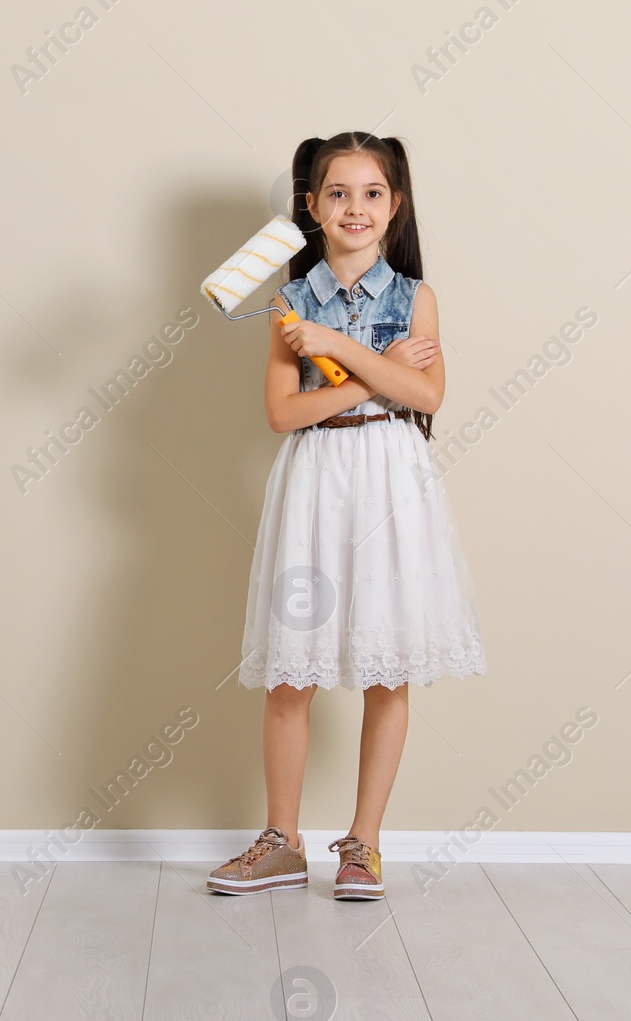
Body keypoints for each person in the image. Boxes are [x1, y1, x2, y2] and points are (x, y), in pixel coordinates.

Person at [206, 132, 487, 901]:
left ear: (394, 206)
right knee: (291, 672)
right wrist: (377, 376)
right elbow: (281, 411)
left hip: (392, 476)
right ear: (312, 207)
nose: (354, 208)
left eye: (371, 193)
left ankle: (363, 844)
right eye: (338, 193)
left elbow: (428, 399)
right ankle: (282, 841)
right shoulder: (291, 301)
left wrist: (334, 346)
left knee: (386, 664)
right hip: (318, 476)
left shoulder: (415, 296)